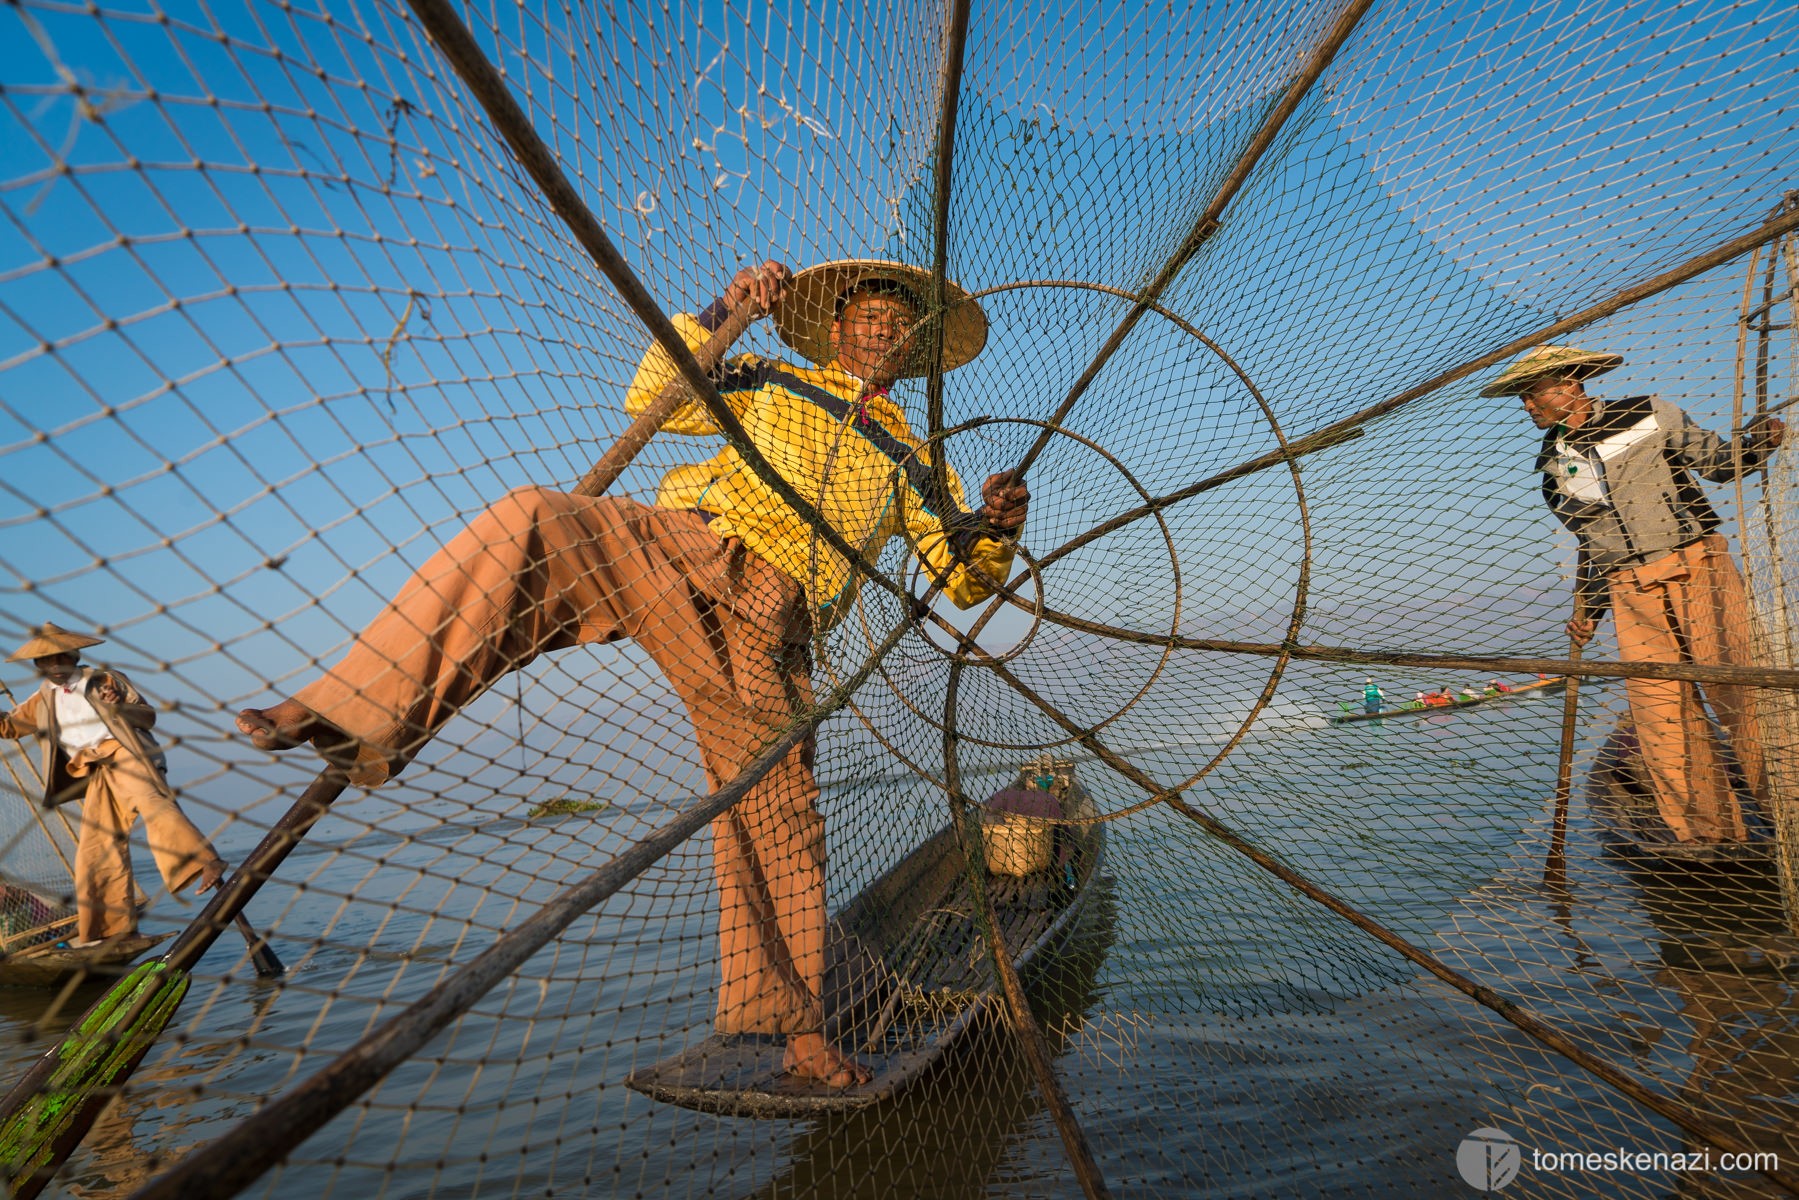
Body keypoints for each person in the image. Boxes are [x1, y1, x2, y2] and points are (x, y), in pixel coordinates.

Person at [235, 258, 1030, 1088]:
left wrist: (1000, 526)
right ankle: (348, 710)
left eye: (896, 324)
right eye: (865, 315)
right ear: (834, 331)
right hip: (683, 549)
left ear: (914, 347)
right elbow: (658, 393)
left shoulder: (912, 454)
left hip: (771, 627)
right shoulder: (772, 378)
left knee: (780, 823)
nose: (880, 330)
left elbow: (961, 574)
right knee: (531, 518)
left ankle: (799, 1038)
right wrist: (725, 308)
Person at [1486, 344, 1786, 844]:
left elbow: (1718, 463)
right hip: (1628, 590)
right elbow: (1592, 545)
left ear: (1570, 384)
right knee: (1661, 718)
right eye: (1521, 396)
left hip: (1697, 567)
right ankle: (1707, 837)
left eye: (1531, 393)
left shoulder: (1646, 413)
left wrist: (1760, 440)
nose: (1526, 405)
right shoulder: (1551, 469)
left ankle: (1788, 811)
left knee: (1743, 697)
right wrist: (1589, 612)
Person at [0, 623, 225, 945]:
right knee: (95, 849)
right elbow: (9, 728)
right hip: (95, 769)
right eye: (46, 663)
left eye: (60, 660)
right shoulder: (44, 698)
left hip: (126, 753)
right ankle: (113, 931)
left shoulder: (104, 680)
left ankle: (206, 862)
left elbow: (146, 717)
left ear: (73, 657)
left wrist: (118, 705)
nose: (55, 668)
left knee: (152, 802)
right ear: (38, 667)